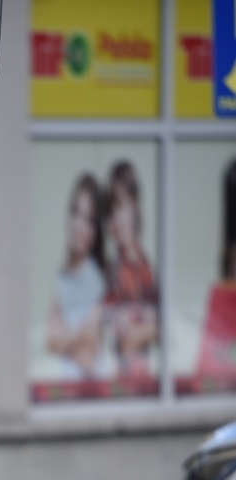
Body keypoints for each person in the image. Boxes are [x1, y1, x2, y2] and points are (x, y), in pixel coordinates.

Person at [46, 173, 106, 380]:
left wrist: (65, 339)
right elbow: (51, 341)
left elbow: (88, 357)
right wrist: (78, 335)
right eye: (76, 213)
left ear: (97, 229)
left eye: (88, 220)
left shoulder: (99, 278)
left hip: (91, 388)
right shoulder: (62, 274)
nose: (79, 225)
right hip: (66, 386)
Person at [104, 161, 159, 379]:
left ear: (135, 207)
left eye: (121, 206)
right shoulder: (110, 270)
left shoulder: (148, 267)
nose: (116, 220)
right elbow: (121, 336)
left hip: (148, 377)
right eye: (111, 212)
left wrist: (146, 329)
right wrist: (148, 328)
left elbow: (164, 328)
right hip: (120, 378)